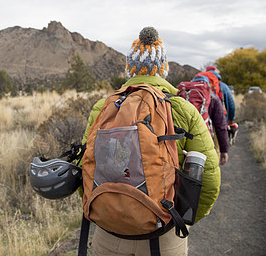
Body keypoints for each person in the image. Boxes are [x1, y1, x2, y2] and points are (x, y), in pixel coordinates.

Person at [80, 27, 221, 255]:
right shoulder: (182, 108)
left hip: (108, 233)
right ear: (163, 69)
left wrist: (104, 209)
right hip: (163, 233)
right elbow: (209, 179)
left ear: (130, 68)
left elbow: (84, 167)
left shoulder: (102, 107)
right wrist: (183, 218)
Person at [191, 74, 229, 166]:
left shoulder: (186, 95)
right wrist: (224, 150)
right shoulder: (214, 98)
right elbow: (221, 126)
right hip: (208, 139)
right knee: (211, 166)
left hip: (189, 139)